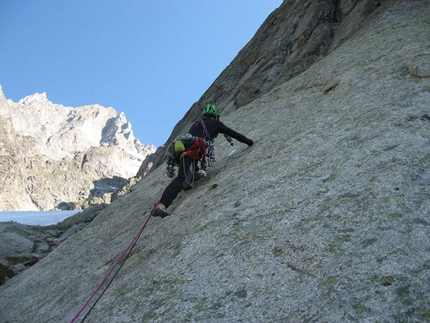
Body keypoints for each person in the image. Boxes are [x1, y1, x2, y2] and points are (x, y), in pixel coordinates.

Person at [151, 103, 255, 218]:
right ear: (215, 116)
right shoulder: (216, 124)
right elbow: (234, 134)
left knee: (189, 174)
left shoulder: (196, 124)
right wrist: (249, 142)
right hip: (191, 152)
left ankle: (192, 177)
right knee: (181, 178)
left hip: (184, 153)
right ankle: (161, 205)